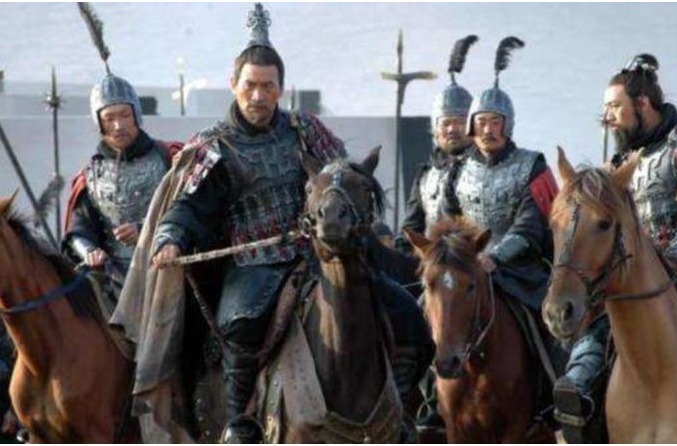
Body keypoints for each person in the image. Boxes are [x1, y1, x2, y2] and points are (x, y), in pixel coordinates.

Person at [150, 4, 432, 443]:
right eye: (250, 85)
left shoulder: (305, 130)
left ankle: (400, 406)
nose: (258, 96)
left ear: (280, 88)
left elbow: (341, 176)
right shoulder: (214, 145)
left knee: (406, 311)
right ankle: (239, 423)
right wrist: (170, 237)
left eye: (268, 86)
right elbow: (189, 206)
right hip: (254, 263)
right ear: (234, 84)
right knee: (240, 323)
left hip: (321, 252)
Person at [553, 53, 677, 443]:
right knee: (593, 338)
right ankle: (578, 405)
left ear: (642, 103)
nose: (607, 116)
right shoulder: (617, 164)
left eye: (615, 106)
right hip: (636, 277)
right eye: (606, 107)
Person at [62, 16, 180, 308]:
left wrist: (146, 230)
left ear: (136, 115)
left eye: (124, 115)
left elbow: (186, 212)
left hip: (165, 270)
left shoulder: (169, 158)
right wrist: (89, 250)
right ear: (99, 122)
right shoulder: (90, 175)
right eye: (109, 118)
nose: (118, 125)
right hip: (109, 278)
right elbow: (78, 229)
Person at [444, 36, 558, 310]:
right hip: (468, 267)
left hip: (521, 272)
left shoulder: (532, 167)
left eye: (495, 122)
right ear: (472, 126)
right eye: (482, 122)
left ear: (507, 125)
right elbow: (451, 222)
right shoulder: (457, 170)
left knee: (550, 323)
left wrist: (495, 258)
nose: (488, 130)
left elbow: (529, 226)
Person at [395, 35, 478, 255]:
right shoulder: (425, 176)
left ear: (472, 125)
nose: (452, 129)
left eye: (459, 122)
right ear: (435, 129)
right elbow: (411, 228)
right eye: (446, 123)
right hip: (436, 262)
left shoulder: (488, 166)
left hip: (481, 262)